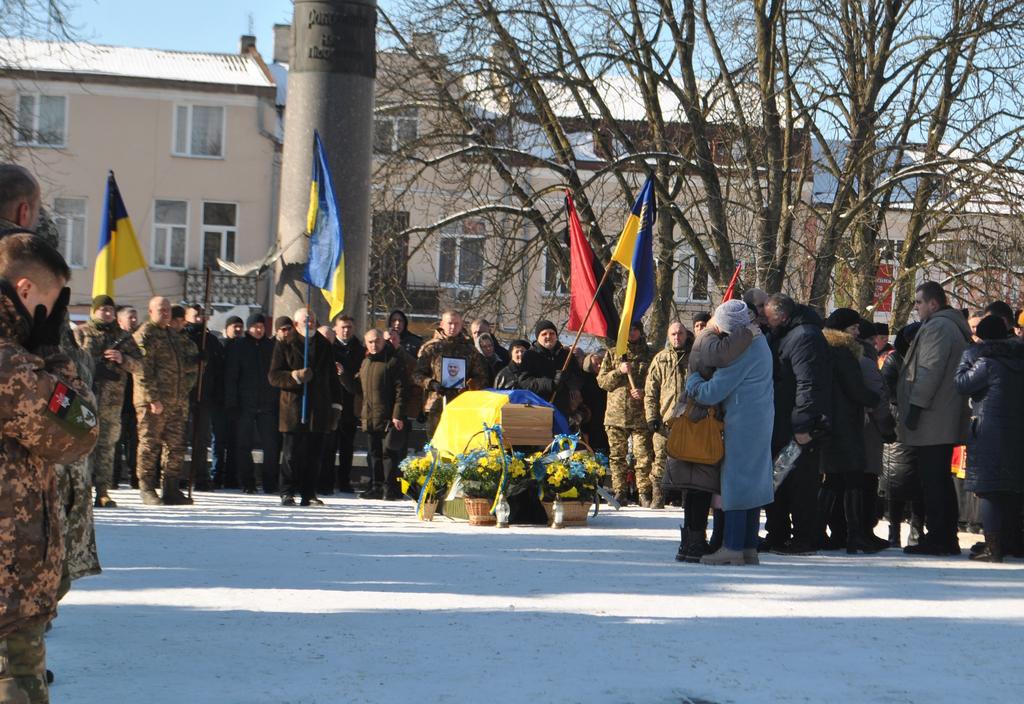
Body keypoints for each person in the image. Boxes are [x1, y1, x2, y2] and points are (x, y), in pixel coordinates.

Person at [0, 232, 99, 704]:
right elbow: (80, 432)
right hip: (8, 593)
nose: (56, 313)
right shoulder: (14, 368)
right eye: (54, 302)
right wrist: (54, 351)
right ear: (24, 291)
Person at [685, 300, 774, 566]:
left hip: (741, 421)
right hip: (759, 418)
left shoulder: (745, 350)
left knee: (736, 482)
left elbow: (714, 391)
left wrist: (693, 382)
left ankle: (733, 547)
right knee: (753, 483)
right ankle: (748, 546)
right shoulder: (760, 342)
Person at [897, 281, 972, 555]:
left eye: (919, 302)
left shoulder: (939, 327)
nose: (916, 308)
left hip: (933, 417)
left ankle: (940, 537)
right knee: (938, 478)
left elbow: (929, 370)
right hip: (939, 415)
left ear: (933, 303)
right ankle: (943, 536)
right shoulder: (947, 325)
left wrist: (915, 406)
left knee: (933, 481)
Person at [668, 315, 752, 561]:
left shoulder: (699, 344)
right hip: (703, 423)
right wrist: (746, 333)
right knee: (701, 488)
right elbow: (722, 362)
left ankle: (690, 542)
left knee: (693, 490)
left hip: (691, 420)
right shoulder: (708, 343)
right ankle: (694, 544)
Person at [763, 293, 831, 554]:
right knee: (779, 481)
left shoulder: (804, 337)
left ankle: (803, 537)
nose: (766, 322)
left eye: (769, 318)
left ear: (781, 315)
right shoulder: (787, 335)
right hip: (784, 421)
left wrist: (802, 425)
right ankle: (778, 534)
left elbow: (809, 384)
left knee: (801, 485)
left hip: (798, 426)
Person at [954, 315, 1024, 562]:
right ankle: (1009, 543)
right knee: (1010, 490)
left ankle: (993, 547)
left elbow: (961, 383)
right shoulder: (1017, 358)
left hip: (988, 433)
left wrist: (966, 358)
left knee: (988, 490)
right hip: (1015, 432)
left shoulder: (986, 362)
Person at [818, 309, 881, 554]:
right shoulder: (843, 353)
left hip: (831, 423)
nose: (858, 332)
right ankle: (855, 535)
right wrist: (873, 398)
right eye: (854, 328)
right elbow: (855, 389)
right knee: (853, 477)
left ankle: (815, 529)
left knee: (833, 480)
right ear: (843, 330)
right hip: (844, 423)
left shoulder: (825, 350)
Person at [268, 307, 342, 506]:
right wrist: (295, 377)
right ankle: (287, 491)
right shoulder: (285, 344)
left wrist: (336, 406)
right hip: (293, 408)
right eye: (305, 321)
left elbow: (333, 379)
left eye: (312, 321)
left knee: (314, 455)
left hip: (318, 409)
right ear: (295, 324)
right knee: (291, 454)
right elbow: (274, 376)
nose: (309, 324)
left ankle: (309, 493)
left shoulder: (324, 344)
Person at [73, 294, 141, 507]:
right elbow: (69, 361)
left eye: (110, 310)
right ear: (94, 311)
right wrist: (93, 367)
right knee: (81, 447)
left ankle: (102, 492)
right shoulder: (80, 333)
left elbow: (140, 365)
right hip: (83, 401)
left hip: (112, 403)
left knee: (107, 448)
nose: (107, 313)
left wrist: (123, 359)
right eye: (103, 309)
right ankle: (80, 492)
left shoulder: (123, 337)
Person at [133, 296, 199, 505]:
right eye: (161, 310)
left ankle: (171, 488)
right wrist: (153, 398)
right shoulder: (146, 335)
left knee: (176, 446)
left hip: (177, 401)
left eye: (168, 310)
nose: (166, 313)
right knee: (150, 444)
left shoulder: (173, 335)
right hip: (154, 402)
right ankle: (147, 488)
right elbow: (142, 370)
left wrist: (197, 360)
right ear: (151, 311)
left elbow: (180, 365)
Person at [341, 329, 407, 500]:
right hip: (369, 417)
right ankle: (376, 486)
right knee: (374, 454)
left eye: (377, 341)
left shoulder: (393, 362)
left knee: (388, 454)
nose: (373, 345)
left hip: (388, 418)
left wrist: (397, 415)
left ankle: (390, 488)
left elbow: (401, 391)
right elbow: (356, 388)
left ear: (383, 341)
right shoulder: (366, 363)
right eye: (370, 342)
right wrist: (343, 375)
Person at [597, 322, 654, 506]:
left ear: (641, 331)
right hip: (616, 415)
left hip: (640, 415)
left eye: (635, 329)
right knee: (617, 456)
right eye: (628, 330)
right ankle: (619, 491)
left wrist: (644, 392)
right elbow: (603, 382)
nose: (632, 333)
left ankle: (644, 492)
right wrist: (618, 371)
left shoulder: (650, 354)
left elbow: (657, 381)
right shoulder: (614, 353)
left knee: (643, 455)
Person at [223, 313, 280, 494]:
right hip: (244, 404)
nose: (258, 330)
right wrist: (232, 402)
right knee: (243, 445)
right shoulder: (239, 346)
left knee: (271, 446)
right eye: (255, 326)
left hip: (267, 404)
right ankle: (247, 482)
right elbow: (231, 376)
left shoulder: (271, 347)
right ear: (249, 328)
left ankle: (270, 482)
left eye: (261, 327)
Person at [880, 323, 924, 547]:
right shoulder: (894, 360)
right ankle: (894, 529)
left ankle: (916, 529)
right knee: (895, 481)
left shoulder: (925, 358)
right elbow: (887, 390)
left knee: (919, 480)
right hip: (898, 424)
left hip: (921, 424)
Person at [412, 310, 487, 436]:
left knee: (458, 445)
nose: (453, 327)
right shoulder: (431, 348)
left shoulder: (470, 350)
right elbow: (417, 375)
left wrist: (469, 385)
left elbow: (482, 377)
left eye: (456, 324)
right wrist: (431, 383)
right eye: (449, 323)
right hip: (436, 404)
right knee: (436, 445)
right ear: (442, 324)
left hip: (461, 405)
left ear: (461, 324)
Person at [644, 321, 691, 510]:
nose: (676, 337)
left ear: (686, 335)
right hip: (665, 420)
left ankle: (688, 499)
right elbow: (651, 391)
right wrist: (651, 417)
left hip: (690, 420)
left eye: (680, 334)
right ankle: (658, 497)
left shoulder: (695, 357)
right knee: (660, 461)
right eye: (673, 334)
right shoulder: (660, 359)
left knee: (690, 461)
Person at [184, 304, 228, 490]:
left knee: (201, 439)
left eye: (202, 315)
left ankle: (200, 476)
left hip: (205, 395)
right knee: (177, 439)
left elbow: (219, 369)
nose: (200, 318)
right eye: (195, 315)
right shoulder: (182, 338)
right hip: (183, 395)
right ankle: (175, 475)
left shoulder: (210, 340)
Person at [327, 314, 365, 494]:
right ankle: (326, 480)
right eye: (342, 327)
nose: (346, 330)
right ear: (335, 328)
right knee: (329, 446)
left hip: (350, 405)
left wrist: (344, 375)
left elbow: (357, 382)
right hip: (331, 403)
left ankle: (344, 481)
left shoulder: (359, 350)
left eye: (349, 327)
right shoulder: (329, 348)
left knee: (347, 447)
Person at [519, 319, 582, 425]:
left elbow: (579, 380)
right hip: (538, 408)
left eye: (552, 333)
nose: (548, 336)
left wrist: (567, 378)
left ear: (556, 336)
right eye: (544, 334)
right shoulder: (530, 355)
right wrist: (550, 384)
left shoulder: (566, 355)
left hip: (562, 410)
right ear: (538, 337)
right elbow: (524, 382)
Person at [114, 305, 140, 488]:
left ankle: (135, 477)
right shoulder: (113, 340)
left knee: (136, 442)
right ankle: (113, 478)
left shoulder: (139, 340)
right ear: (120, 320)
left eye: (135, 317)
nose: (133, 321)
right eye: (130, 317)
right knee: (115, 441)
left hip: (136, 398)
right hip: (116, 400)